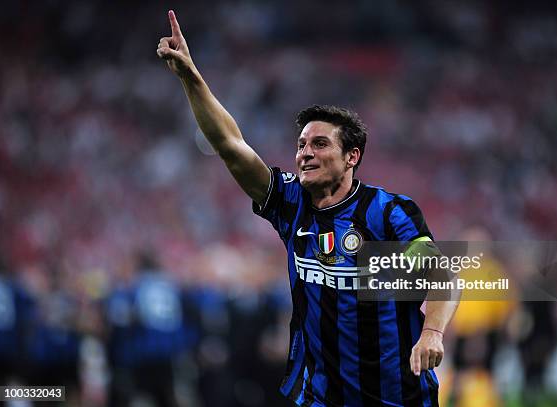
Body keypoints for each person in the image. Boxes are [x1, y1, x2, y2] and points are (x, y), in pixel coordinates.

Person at [157, 10, 459, 406]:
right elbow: (231, 148)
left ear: (352, 157)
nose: (305, 153)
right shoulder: (290, 203)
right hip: (321, 398)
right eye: (301, 144)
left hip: (397, 397)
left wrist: (432, 333)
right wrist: (190, 77)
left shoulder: (387, 214)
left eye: (320, 144)